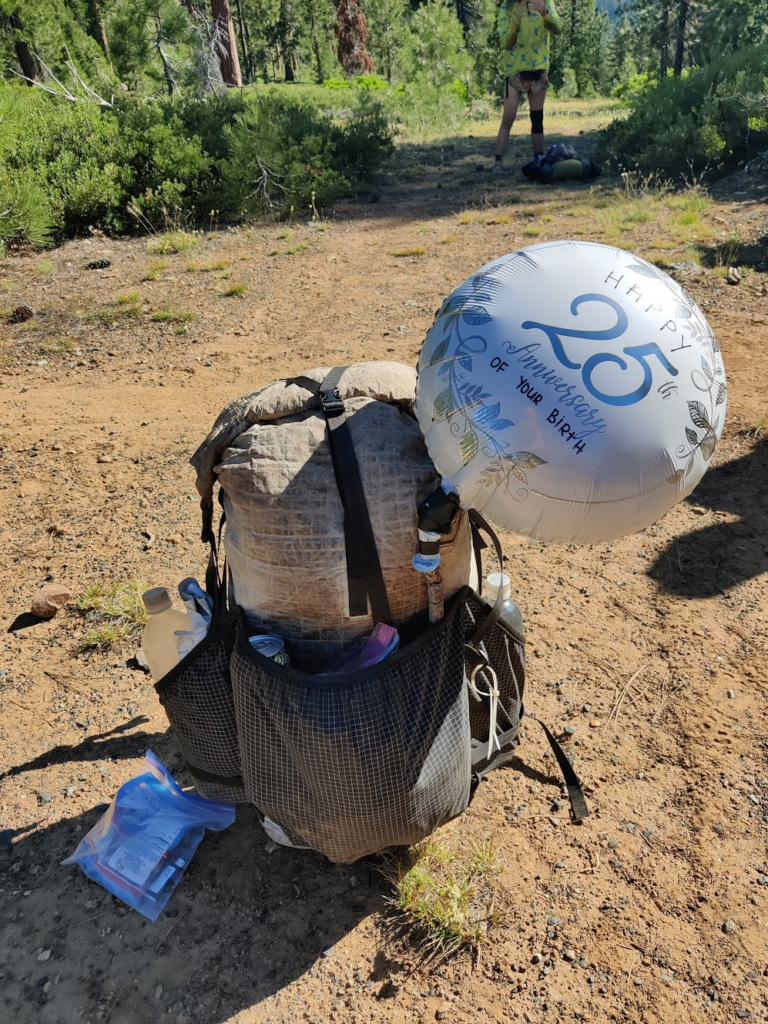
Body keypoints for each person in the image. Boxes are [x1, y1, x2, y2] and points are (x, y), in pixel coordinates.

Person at [493, 0, 562, 175]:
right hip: (515, 70)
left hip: (538, 68)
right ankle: (498, 163)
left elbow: (558, 28)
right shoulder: (507, 7)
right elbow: (504, 43)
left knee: (537, 118)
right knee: (508, 117)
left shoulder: (546, 2)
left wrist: (544, 11)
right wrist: (516, 21)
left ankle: (538, 159)